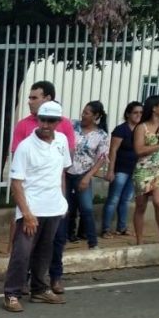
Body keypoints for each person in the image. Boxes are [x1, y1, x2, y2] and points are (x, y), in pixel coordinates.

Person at [3, 101, 70, 312]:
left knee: (45, 251)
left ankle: (39, 289)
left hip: (54, 207)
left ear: (59, 122)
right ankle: (12, 293)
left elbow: (61, 173)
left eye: (51, 121)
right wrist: (27, 214)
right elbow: (16, 183)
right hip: (31, 209)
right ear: (37, 119)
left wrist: (63, 200)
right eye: (43, 120)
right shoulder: (25, 147)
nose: (46, 124)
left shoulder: (62, 140)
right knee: (22, 253)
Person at [66, 102, 109, 250]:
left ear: (96, 116)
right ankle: (66, 236)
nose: (83, 115)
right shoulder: (73, 125)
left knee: (87, 208)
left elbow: (102, 157)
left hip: (83, 173)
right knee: (67, 207)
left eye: (87, 113)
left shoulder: (101, 135)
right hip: (66, 172)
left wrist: (88, 177)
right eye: (83, 112)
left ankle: (92, 242)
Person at [102, 102, 142, 237]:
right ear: (128, 114)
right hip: (120, 169)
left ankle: (122, 227)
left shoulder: (141, 130)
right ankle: (106, 229)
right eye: (135, 112)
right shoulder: (121, 129)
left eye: (141, 113)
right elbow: (113, 150)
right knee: (113, 199)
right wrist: (110, 170)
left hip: (134, 169)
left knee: (125, 200)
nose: (138, 115)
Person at [11, 81, 76, 153]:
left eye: (34, 98)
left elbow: (69, 155)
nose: (30, 102)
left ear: (48, 99)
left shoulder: (65, 123)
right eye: (30, 98)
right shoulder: (22, 125)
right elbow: (17, 156)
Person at [132, 95, 159, 245]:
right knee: (141, 206)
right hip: (143, 170)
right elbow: (139, 150)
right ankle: (139, 240)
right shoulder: (141, 127)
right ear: (154, 108)